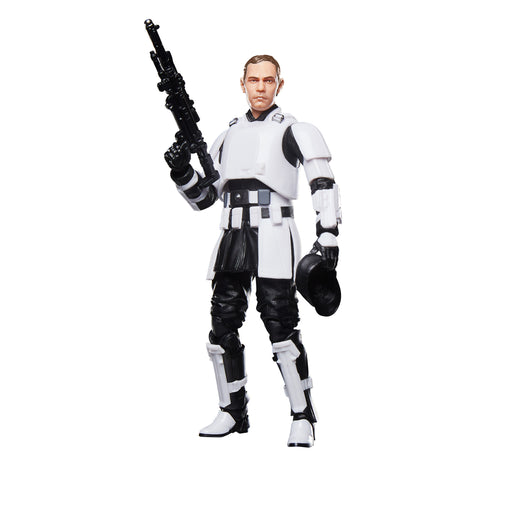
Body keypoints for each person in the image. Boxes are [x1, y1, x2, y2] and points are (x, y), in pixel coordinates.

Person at [164, 55, 341, 447]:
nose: (260, 87)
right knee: (221, 324)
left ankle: (302, 415)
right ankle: (232, 411)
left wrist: (328, 234)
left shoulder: (293, 130)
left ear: (279, 84)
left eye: (268, 80)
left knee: (281, 325)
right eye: (254, 80)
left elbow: (323, 181)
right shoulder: (228, 135)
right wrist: (182, 172)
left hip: (275, 231)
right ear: (242, 83)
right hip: (233, 234)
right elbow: (204, 198)